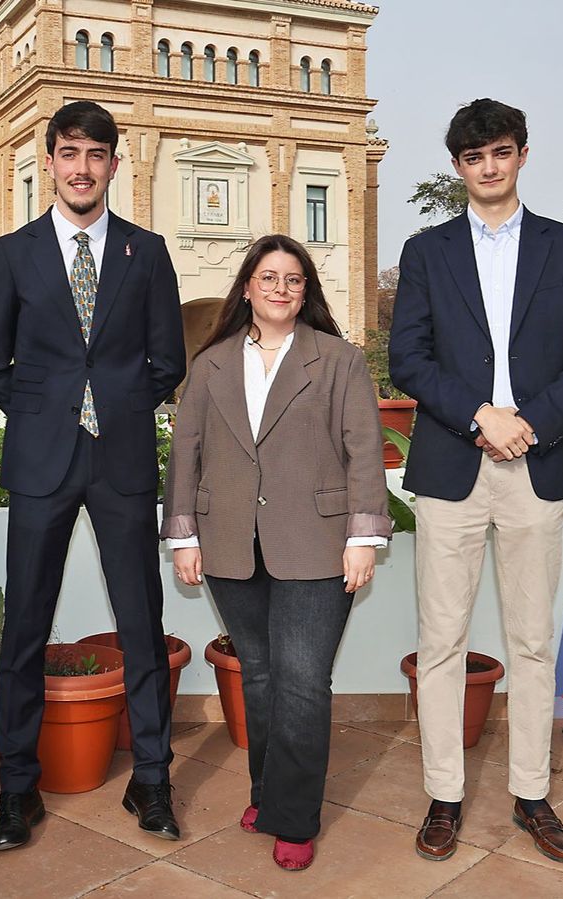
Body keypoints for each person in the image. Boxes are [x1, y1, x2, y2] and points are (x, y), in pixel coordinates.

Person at [389, 98, 563, 865]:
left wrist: (532, 421)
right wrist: (481, 415)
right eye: (474, 155)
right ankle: (443, 795)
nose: (489, 166)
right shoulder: (426, 251)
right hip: (452, 464)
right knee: (440, 640)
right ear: (458, 165)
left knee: (532, 640)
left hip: (535, 464)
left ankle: (531, 793)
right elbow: (408, 357)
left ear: (522, 154)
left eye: (501, 151)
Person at [0, 100, 187, 850]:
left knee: (141, 623)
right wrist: (48, 413)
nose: (82, 168)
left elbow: (168, 360)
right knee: (25, 627)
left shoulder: (145, 252)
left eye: (96, 154)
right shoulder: (13, 253)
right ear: (50, 162)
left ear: (114, 165)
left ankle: (152, 778)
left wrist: (111, 409)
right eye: (70, 153)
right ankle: (16, 788)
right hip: (43, 461)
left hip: (122, 459)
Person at [162, 234, 391, 871]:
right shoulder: (211, 363)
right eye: (268, 278)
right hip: (230, 545)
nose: (280, 289)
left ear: (305, 290)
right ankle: (267, 794)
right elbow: (187, 451)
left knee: (303, 683)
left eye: (293, 279)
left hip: (319, 544)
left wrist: (363, 538)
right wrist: (184, 536)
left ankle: (293, 819)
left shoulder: (339, 360)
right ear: (247, 288)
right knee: (260, 677)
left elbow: (363, 450)